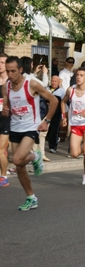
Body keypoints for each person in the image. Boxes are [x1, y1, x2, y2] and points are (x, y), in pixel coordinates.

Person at [2, 56, 57, 210]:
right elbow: (7, 110)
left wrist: (47, 121)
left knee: (18, 159)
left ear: (20, 70)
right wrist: (5, 111)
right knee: (19, 167)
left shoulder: (31, 84)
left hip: (31, 127)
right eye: (8, 71)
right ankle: (31, 197)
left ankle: (35, 156)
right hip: (15, 128)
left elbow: (53, 100)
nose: (10, 74)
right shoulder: (6, 87)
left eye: (13, 71)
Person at [47, 75, 66, 153]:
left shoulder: (61, 91)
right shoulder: (46, 89)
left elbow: (63, 104)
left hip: (56, 114)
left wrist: (63, 116)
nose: (53, 83)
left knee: (54, 130)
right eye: (52, 81)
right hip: (46, 113)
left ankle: (53, 146)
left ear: (58, 82)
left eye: (55, 81)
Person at [0, 53, 10, 187]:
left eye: (2, 62)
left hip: (7, 119)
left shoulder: (11, 82)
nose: (0, 65)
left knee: (1, 149)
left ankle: (4, 175)